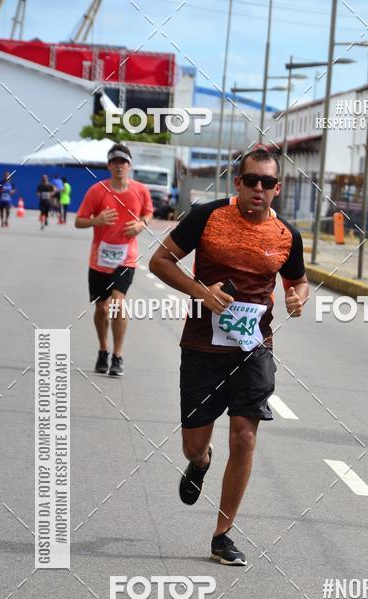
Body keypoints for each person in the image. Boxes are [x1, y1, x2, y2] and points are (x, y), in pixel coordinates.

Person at [149, 147, 308, 565]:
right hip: (202, 346)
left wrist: (297, 297)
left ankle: (223, 533)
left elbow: (299, 281)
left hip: (253, 348)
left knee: (244, 436)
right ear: (237, 182)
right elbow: (159, 261)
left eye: (267, 183)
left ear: (278, 188)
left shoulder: (288, 235)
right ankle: (200, 463)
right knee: (192, 445)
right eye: (251, 180)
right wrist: (203, 292)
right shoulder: (208, 216)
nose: (259, 189)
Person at [75, 142, 153, 377]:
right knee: (101, 308)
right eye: (115, 161)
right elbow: (79, 221)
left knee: (118, 303)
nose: (119, 166)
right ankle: (103, 350)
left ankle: (118, 355)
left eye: (123, 161)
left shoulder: (140, 190)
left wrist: (142, 224)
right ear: (109, 165)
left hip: (125, 258)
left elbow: (148, 212)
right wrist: (96, 221)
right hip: (100, 260)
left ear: (129, 165)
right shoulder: (97, 191)